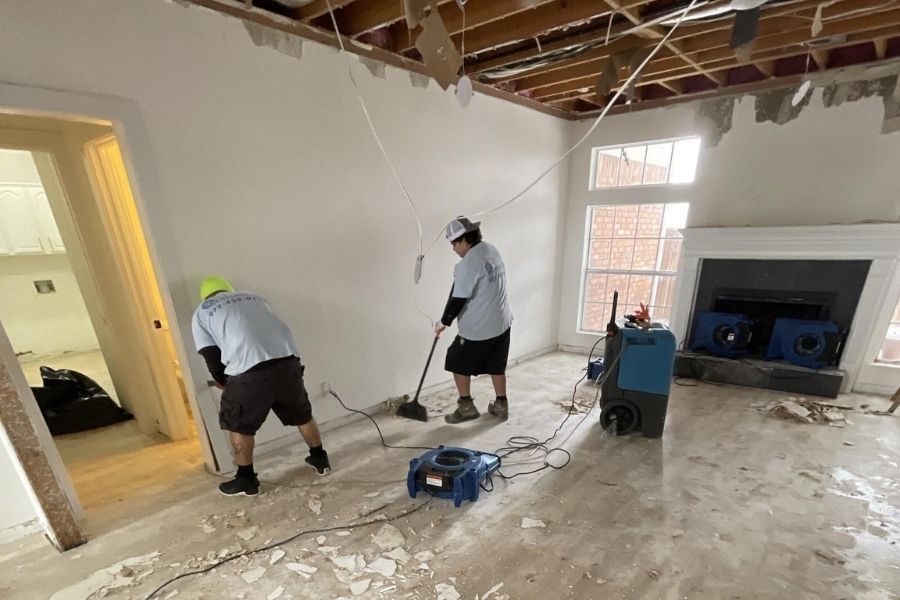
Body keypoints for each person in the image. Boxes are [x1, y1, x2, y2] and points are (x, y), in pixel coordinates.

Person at [192, 276, 331, 496]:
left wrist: (224, 383)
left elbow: (211, 356)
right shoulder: (255, 298)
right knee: (302, 413)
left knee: (239, 425)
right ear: (229, 290)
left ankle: (246, 480)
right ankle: (319, 457)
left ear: (206, 296)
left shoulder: (202, 311)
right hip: (287, 360)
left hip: (248, 370)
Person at [435, 217, 513, 424]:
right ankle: (501, 404)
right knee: (497, 364)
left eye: (454, 243)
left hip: (479, 328)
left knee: (455, 360)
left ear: (464, 240)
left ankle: (466, 406)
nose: (453, 248)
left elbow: (458, 299)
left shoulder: (467, 264)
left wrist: (444, 322)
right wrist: (460, 274)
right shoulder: (490, 250)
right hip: (502, 323)